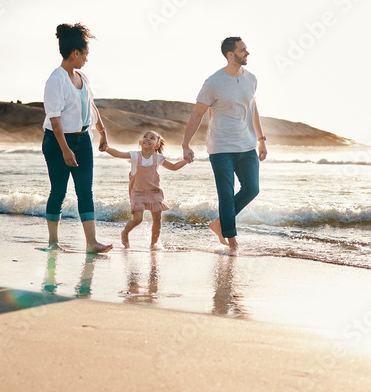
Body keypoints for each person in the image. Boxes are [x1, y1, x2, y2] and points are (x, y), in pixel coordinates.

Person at [182, 37, 267, 253]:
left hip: (247, 145)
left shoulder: (252, 79)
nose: (247, 53)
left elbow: (253, 109)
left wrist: (261, 139)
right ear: (231, 55)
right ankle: (232, 242)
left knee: (252, 189)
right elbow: (197, 114)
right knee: (226, 194)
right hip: (221, 147)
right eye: (243, 50)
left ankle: (219, 224)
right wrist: (186, 144)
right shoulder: (213, 83)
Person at [41, 23, 113, 254]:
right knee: (59, 191)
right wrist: (65, 149)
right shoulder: (56, 80)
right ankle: (53, 242)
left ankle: (92, 243)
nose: (86, 59)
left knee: (85, 191)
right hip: (57, 142)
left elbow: (91, 106)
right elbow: (54, 119)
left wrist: (102, 133)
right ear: (75, 53)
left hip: (83, 141)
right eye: (85, 54)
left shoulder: (82, 76)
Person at [102, 130, 188, 249]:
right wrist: (106, 148)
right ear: (140, 142)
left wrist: (186, 161)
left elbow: (173, 167)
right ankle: (125, 232)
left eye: (152, 138)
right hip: (137, 192)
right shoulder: (134, 155)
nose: (147, 139)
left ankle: (154, 244)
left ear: (157, 145)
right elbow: (118, 153)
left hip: (154, 192)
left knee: (157, 218)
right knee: (137, 219)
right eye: (145, 137)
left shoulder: (158, 158)